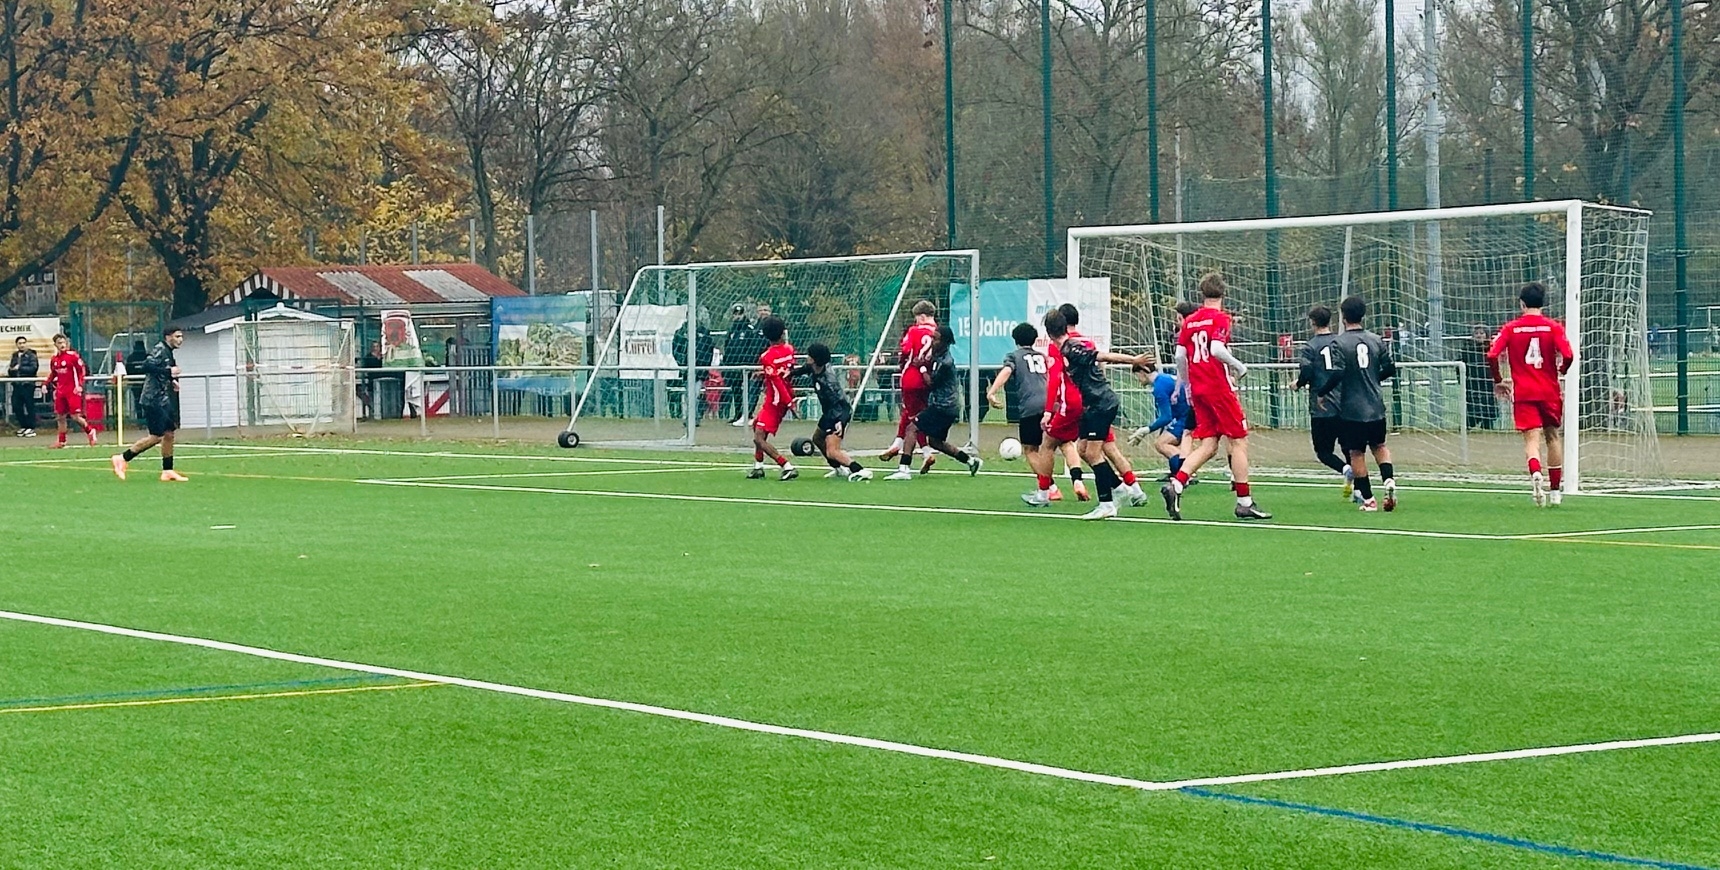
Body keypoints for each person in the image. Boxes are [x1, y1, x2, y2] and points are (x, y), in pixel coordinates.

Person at [1161, 273, 1271, 521]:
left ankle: (1176, 484)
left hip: (1199, 389)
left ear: (1201, 293)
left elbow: (1180, 357)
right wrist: (1239, 366)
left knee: (1209, 445)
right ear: (1223, 293)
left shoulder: (1190, 321)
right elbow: (1216, 349)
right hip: (1219, 389)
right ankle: (1244, 502)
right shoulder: (1221, 318)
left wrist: (1187, 384)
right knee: (1238, 441)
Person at [1038, 310, 1151, 519]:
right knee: (1082, 449)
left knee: (1093, 453)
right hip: (1091, 405)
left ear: (1048, 333)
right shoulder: (1066, 348)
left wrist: (1133, 360)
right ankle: (1120, 488)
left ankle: (1107, 504)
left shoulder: (1072, 349)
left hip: (1102, 404)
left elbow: (1103, 356)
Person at [1487, 281, 1574, 507]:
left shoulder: (1511, 328)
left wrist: (1498, 380)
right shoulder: (1553, 327)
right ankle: (1555, 492)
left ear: (1521, 304)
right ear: (1543, 304)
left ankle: (1536, 472)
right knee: (1552, 437)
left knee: (1531, 440)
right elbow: (1568, 354)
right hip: (1549, 391)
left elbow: (1492, 354)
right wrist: (1562, 370)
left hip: (1524, 392)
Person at [1318, 296, 1398, 512]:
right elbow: (1390, 368)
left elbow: (1337, 373)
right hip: (1376, 405)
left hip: (1352, 408)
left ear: (1343, 316)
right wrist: (1374, 378)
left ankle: (1369, 499)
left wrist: (1322, 392)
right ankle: (1389, 481)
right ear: (1363, 315)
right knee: (1380, 446)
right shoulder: (1376, 340)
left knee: (1356, 453)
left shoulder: (1339, 342)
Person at [890, 325, 981, 480]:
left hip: (943, 406)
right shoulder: (938, 355)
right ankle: (971, 461)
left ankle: (904, 469)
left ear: (945, 342)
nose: (932, 341)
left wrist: (922, 368)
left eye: (935, 338)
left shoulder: (946, 362)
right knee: (935, 442)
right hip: (948, 407)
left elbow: (931, 383)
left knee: (912, 428)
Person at [111, 328, 187, 482]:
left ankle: (167, 470)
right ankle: (122, 458)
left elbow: (164, 371)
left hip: (163, 399)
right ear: (168, 337)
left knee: (169, 433)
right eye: (177, 336)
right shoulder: (160, 349)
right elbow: (146, 366)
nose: (180, 339)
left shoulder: (169, 352)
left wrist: (172, 380)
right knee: (156, 437)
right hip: (152, 400)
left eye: (181, 336)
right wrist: (169, 372)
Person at [1293, 304, 1353, 496]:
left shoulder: (1310, 347)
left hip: (1322, 407)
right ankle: (1360, 490)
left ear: (1312, 322)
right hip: (1345, 403)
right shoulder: (1341, 342)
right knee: (1350, 449)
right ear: (1330, 321)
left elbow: (1307, 371)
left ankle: (1345, 470)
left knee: (1323, 452)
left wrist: (1298, 384)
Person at [792, 342, 871, 481]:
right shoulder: (815, 367)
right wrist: (790, 373)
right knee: (817, 439)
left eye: (809, 355)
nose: (807, 357)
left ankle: (861, 470)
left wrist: (840, 421)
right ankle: (839, 469)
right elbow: (805, 368)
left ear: (815, 359)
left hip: (839, 413)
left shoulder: (829, 382)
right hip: (829, 413)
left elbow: (840, 404)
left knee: (832, 451)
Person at [880, 300, 939, 472]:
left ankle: (921, 452)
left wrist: (902, 362)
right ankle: (900, 444)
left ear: (922, 317)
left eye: (917, 318)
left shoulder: (914, 331)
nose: (916, 321)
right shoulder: (938, 333)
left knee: (913, 417)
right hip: (927, 379)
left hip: (911, 377)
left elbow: (905, 351)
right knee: (915, 414)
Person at [746, 315, 798, 480]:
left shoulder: (766, 356)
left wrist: (789, 404)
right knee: (757, 426)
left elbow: (776, 380)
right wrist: (764, 373)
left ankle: (786, 466)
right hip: (785, 395)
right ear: (782, 333)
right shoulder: (789, 350)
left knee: (759, 438)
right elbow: (781, 372)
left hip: (776, 400)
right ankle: (758, 466)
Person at [43, 334, 98, 447]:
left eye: (64, 342)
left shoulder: (72, 356)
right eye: (59, 343)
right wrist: (46, 384)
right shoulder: (54, 359)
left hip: (72, 390)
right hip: (61, 391)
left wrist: (79, 385)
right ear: (55, 345)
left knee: (75, 416)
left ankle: (90, 431)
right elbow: (53, 373)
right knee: (60, 416)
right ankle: (62, 441)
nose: (62, 345)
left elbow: (81, 371)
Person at [723, 303, 765, 426]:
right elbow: (727, 347)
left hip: (745, 366)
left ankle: (747, 413)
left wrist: (749, 363)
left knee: (747, 390)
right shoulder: (731, 331)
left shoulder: (749, 330)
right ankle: (738, 413)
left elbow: (752, 348)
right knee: (736, 390)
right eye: (735, 314)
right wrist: (727, 363)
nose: (737, 316)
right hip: (733, 366)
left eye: (740, 314)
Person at [672, 312, 715, 421]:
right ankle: (690, 417)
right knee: (688, 394)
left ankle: (694, 417)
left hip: (699, 370)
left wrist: (704, 365)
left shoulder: (704, 332)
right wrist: (682, 363)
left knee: (696, 394)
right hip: (686, 370)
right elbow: (675, 349)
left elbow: (709, 350)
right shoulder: (681, 332)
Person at [1459, 324, 1499, 431]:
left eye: (1482, 333)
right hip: (1472, 383)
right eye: (1476, 333)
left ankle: (1487, 426)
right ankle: (1468, 426)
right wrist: (1461, 380)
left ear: (1486, 335)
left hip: (1487, 382)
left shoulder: (1491, 348)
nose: (1479, 335)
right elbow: (1461, 365)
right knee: (1472, 405)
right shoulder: (1467, 349)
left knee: (1488, 404)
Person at [8, 336, 38, 436]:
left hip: (27, 384)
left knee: (29, 406)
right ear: (16, 345)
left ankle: (31, 427)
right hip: (17, 385)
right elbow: (11, 369)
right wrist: (12, 370)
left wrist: (20, 368)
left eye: (23, 343)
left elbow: (33, 368)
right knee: (16, 405)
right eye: (20, 343)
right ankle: (24, 426)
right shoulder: (15, 355)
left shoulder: (31, 355)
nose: (22, 345)